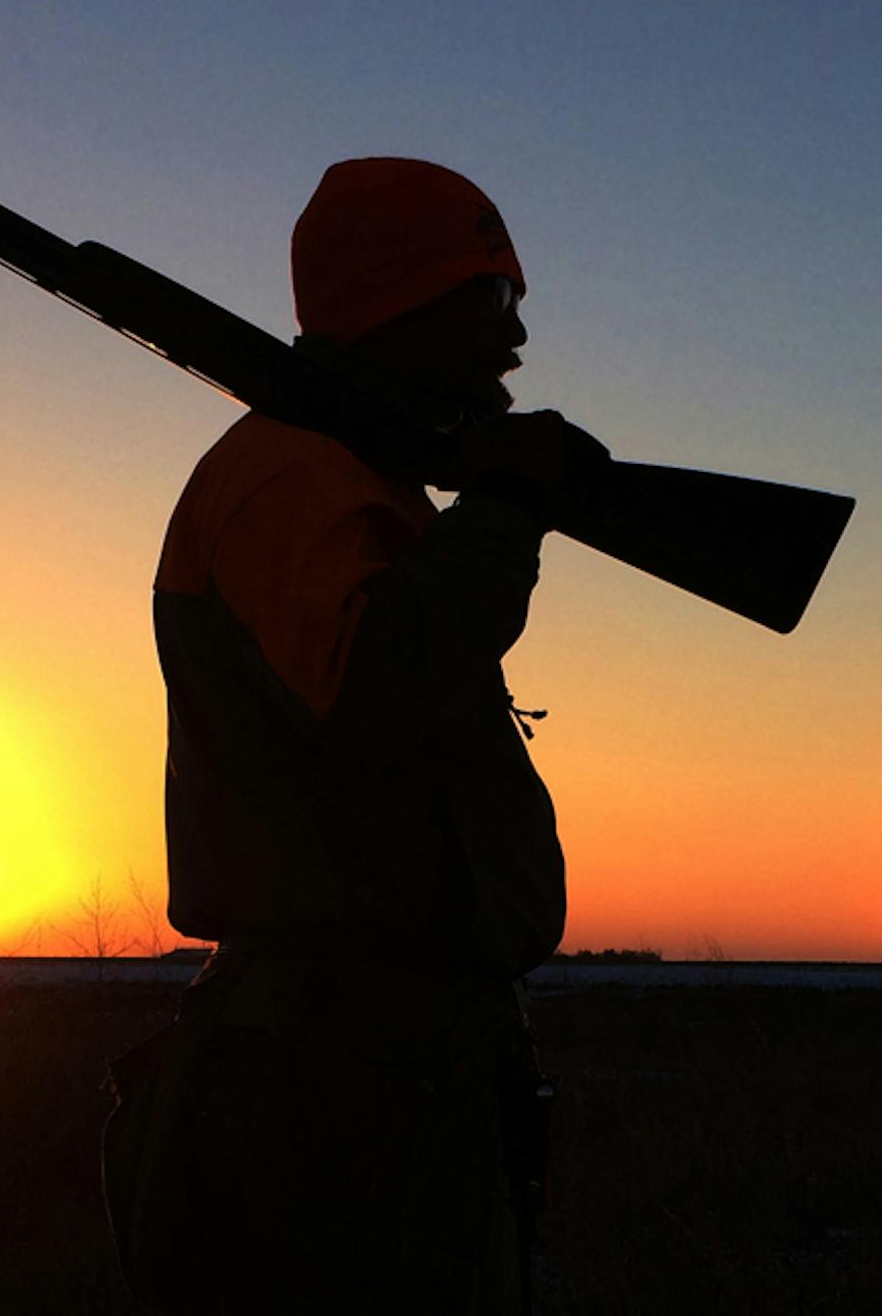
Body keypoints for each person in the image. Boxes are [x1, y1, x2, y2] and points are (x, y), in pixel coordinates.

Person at [104, 158, 607, 1313]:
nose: (516, 341)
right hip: (330, 1086)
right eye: (493, 299)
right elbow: (376, 685)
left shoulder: (349, 485)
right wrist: (509, 511)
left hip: (385, 1070)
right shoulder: (290, 480)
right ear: (401, 303)